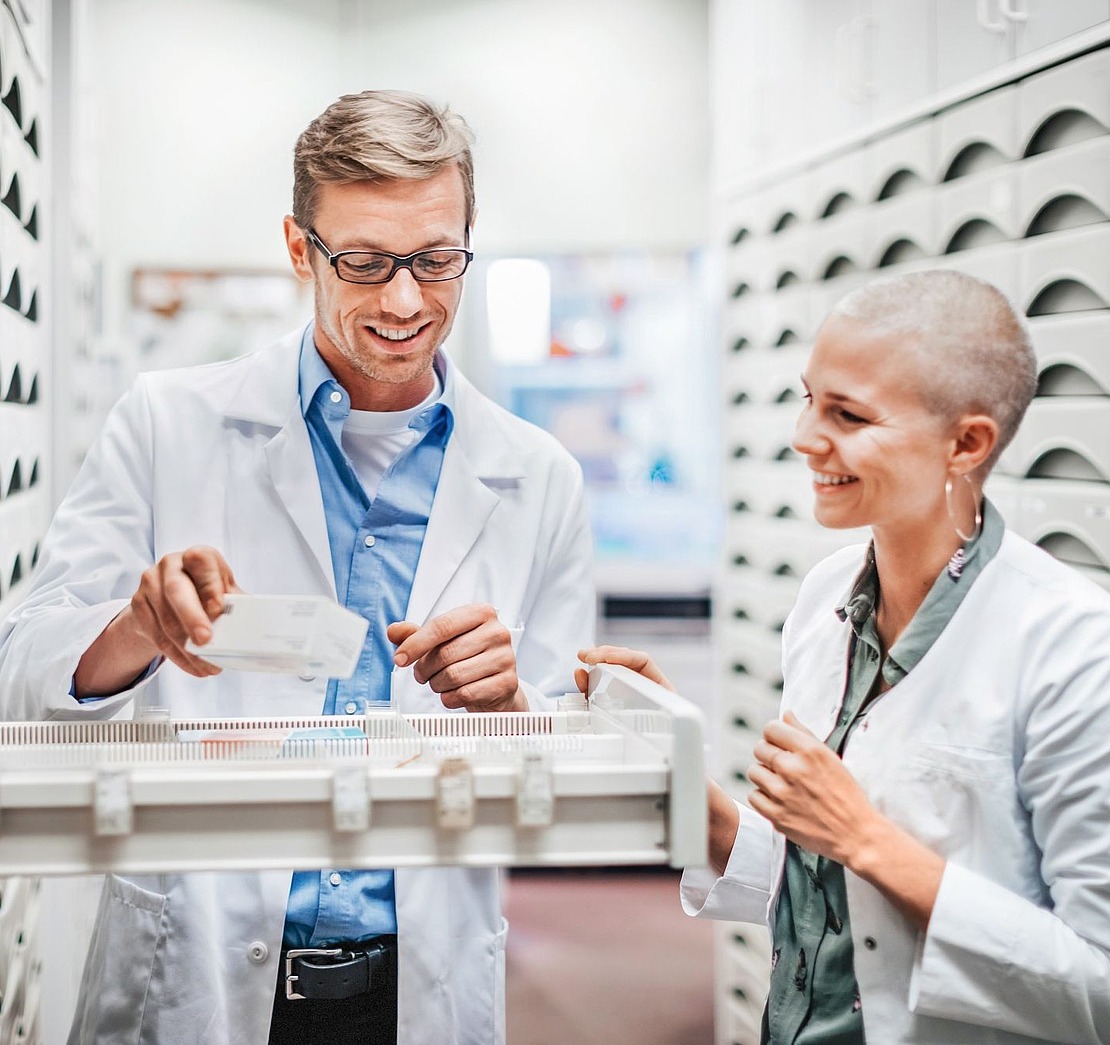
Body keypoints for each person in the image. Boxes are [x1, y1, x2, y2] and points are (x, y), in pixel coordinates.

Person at [0, 90, 595, 1045]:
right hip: (197, 961)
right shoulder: (167, 425)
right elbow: (22, 674)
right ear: (297, 245)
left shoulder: (537, 475)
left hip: (417, 977)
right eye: (363, 262)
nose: (405, 301)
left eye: (437, 260)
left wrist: (517, 703)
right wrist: (137, 630)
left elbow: (569, 759)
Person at [578, 269, 1110, 1043]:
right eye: (807, 397)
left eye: (848, 414)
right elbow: (823, 893)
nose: (803, 437)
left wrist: (867, 838)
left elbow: (1097, 983)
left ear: (966, 442)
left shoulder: (1073, 648)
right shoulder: (829, 598)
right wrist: (687, 783)